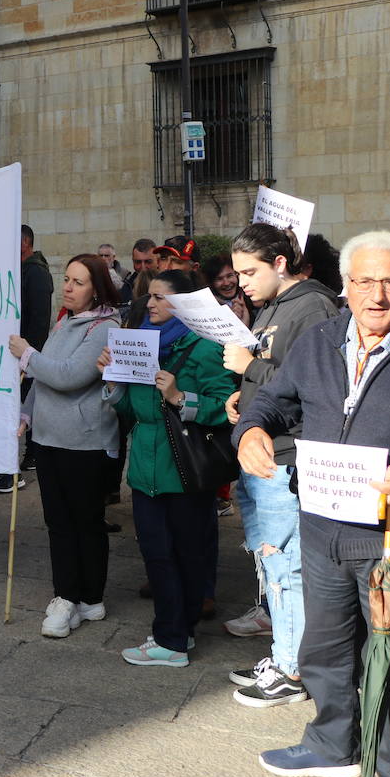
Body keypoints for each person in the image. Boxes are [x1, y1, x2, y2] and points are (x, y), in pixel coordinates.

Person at [235, 230, 390, 777]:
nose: (377, 295)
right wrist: (250, 428)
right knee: (327, 649)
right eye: (364, 281)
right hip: (322, 528)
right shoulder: (319, 339)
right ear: (345, 286)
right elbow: (274, 397)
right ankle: (332, 743)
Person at [218, 223, 340, 708]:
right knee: (272, 562)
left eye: (250, 271)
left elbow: (314, 384)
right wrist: (242, 398)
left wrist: (248, 369)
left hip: (287, 455)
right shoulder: (273, 307)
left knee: (287, 564)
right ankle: (284, 652)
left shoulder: (313, 306)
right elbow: (274, 378)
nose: (242, 281)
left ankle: (293, 669)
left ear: (281, 263)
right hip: (263, 450)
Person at [96, 268, 235, 667]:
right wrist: (111, 382)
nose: (150, 303)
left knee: (186, 553)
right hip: (145, 467)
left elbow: (225, 408)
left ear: (185, 303)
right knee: (157, 553)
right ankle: (179, 633)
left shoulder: (207, 347)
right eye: (150, 297)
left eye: (160, 297)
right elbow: (131, 409)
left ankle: (172, 639)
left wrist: (179, 396)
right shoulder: (141, 343)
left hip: (187, 468)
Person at [10, 253, 121, 639]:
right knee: (60, 521)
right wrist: (26, 413)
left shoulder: (106, 327)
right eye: (68, 279)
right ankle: (77, 595)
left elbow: (70, 376)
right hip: (49, 438)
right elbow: (42, 380)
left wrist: (26, 353)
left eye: (78, 282)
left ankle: (76, 596)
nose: (69, 287)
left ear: (96, 289)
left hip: (84, 441)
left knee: (84, 522)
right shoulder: (65, 321)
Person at [0, 224, 50, 490]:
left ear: (24, 242)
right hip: (8, 354)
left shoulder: (35, 273)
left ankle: (9, 473)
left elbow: (37, 320)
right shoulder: (18, 271)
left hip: (21, 357)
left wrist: (27, 358)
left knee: (14, 412)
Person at [203, 254, 251, 326]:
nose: (226, 283)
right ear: (211, 283)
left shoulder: (252, 298)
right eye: (219, 279)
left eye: (229, 276)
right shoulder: (207, 309)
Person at [120, 238, 157, 304]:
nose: (143, 267)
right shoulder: (127, 286)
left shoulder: (168, 285)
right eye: (138, 262)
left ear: (157, 261)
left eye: (148, 262)